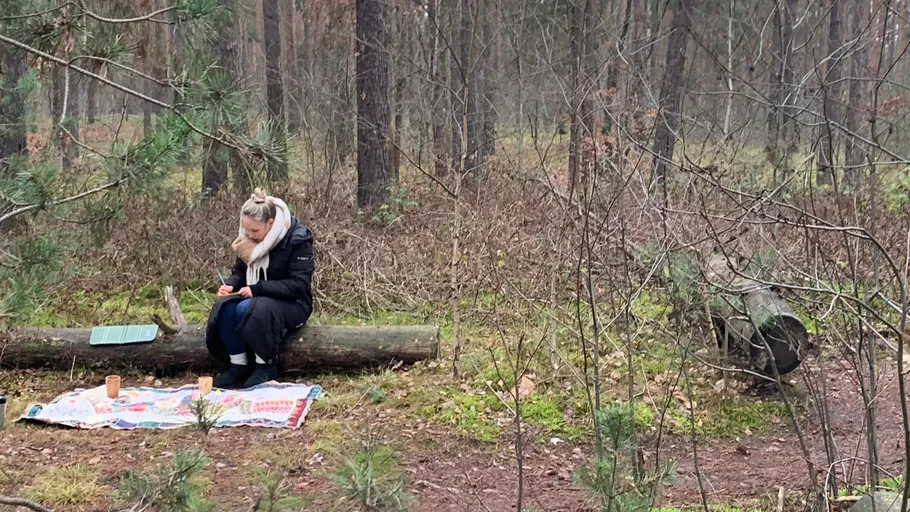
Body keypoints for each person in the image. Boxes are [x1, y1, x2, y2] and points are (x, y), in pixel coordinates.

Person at [205, 188, 315, 388]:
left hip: (294, 304)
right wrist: (229, 285)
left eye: (254, 231)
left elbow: (298, 285)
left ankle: (266, 365)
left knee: (251, 309)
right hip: (257, 298)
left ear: (270, 224)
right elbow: (240, 272)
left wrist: (258, 288)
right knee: (225, 307)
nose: (249, 235)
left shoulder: (298, 239)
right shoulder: (248, 238)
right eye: (246, 229)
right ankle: (239, 365)